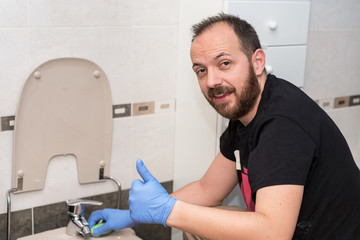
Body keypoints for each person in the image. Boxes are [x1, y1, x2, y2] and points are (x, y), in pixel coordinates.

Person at [88, 13, 360, 239]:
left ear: (257, 62)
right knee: (193, 228)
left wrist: (167, 211)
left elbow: (274, 233)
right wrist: (132, 216)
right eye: (201, 70)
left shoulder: (282, 122)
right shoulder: (245, 115)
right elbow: (209, 189)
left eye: (224, 63)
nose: (211, 81)